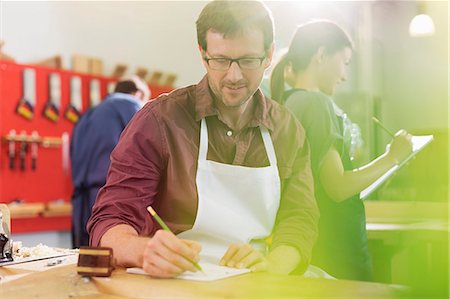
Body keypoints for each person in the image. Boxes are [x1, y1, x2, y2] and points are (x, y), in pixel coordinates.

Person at [87, 0, 319, 278]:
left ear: (269, 55)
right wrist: (141, 250)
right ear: (203, 54)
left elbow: (300, 218)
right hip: (173, 283)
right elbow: (111, 219)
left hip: (257, 282)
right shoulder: (159, 121)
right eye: (220, 61)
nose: (234, 76)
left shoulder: (287, 129)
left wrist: (274, 266)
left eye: (247, 60)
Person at [270, 20, 413, 281]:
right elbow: (337, 187)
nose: (345, 75)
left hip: (312, 248)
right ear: (321, 55)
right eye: (344, 62)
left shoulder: (289, 102)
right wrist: (393, 157)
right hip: (336, 251)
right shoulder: (316, 104)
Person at [70, 76, 150, 248]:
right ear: (138, 94)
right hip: (112, 196)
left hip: (83, 198)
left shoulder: (90, 113)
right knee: (111, 256)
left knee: (84, 256)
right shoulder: (131, 106)